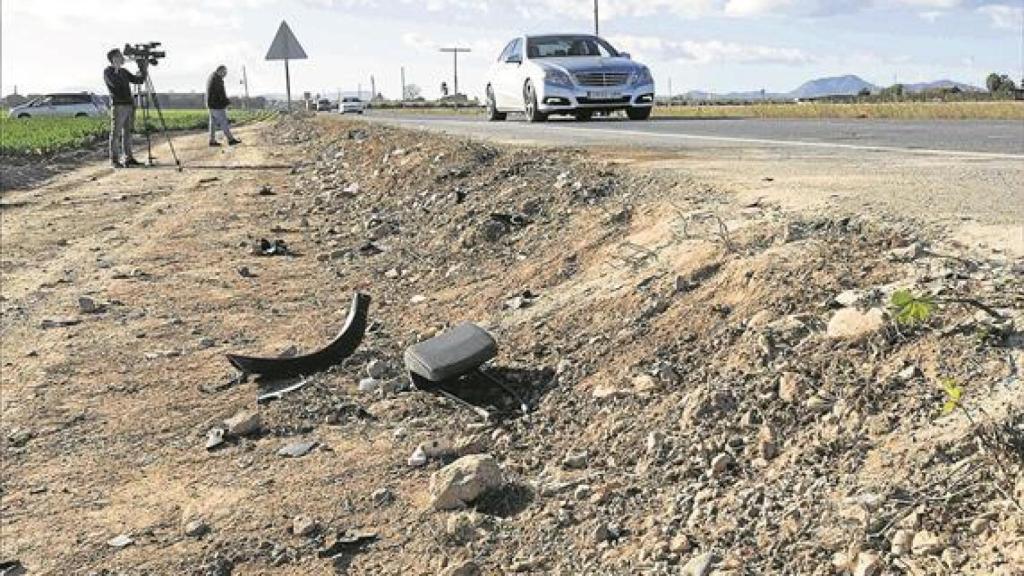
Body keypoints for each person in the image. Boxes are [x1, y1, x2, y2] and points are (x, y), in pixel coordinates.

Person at [104, 48, 147, 168]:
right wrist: (117, 68)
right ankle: (114, 160)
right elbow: (114, 85)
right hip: (118, 106)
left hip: (129, 104)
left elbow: (138, 81)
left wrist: (143, 68)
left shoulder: (124, 71)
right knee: (116, 133)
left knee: (128, 133)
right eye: (120, 56)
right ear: (114, 58)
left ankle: (129, 158)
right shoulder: (108, 72)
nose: (123, 58)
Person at [206, 65, 240, 146]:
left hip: (210, 104)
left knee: (213, 123)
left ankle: (212, 141)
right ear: (220, 71)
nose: (225, 74)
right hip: (217, 105)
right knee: (223, 122)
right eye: (224, 72)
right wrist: (227, 103)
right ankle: (231, 140)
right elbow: (221, 94)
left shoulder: (211, 76)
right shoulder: (218, 79)